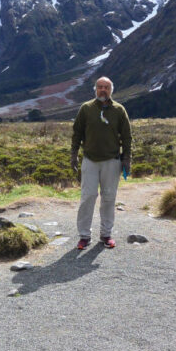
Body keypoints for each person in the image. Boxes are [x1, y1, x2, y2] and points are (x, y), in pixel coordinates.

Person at [71, 76, 131, 249]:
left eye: (106, 87)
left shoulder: (119, 110)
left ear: (111, 90)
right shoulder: (86, 108)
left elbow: (127, 137)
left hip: (112, 161)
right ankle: (84, 236)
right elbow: (77, 134)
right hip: (90, 160)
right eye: (100, 87)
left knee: (109, 198)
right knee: (87, 197)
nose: (103, 90)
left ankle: (106, 235)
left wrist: (127, 159)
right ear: (95, 89)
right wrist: (73, 155)